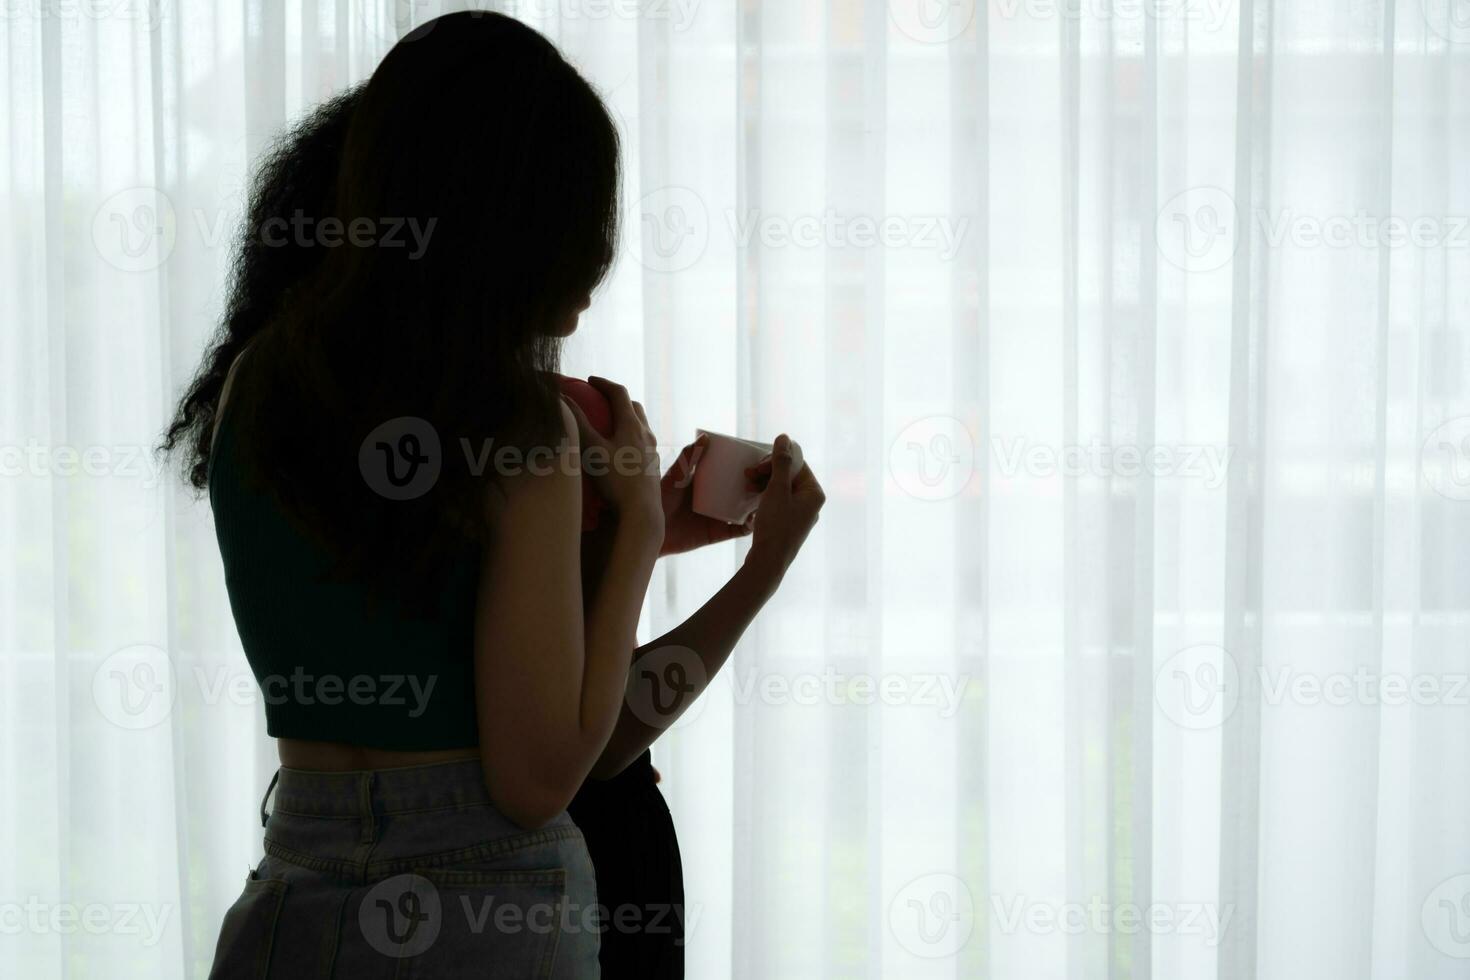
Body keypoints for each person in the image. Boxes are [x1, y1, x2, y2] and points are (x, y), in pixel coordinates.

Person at [161, 11, 824, 977]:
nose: (591, 276)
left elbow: (406, 588)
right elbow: (543, 772)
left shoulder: (259, 389)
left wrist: (620, 532)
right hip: (487, 909)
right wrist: (646, 528)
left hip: (291, 900)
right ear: (514, 231)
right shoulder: (524, 426)